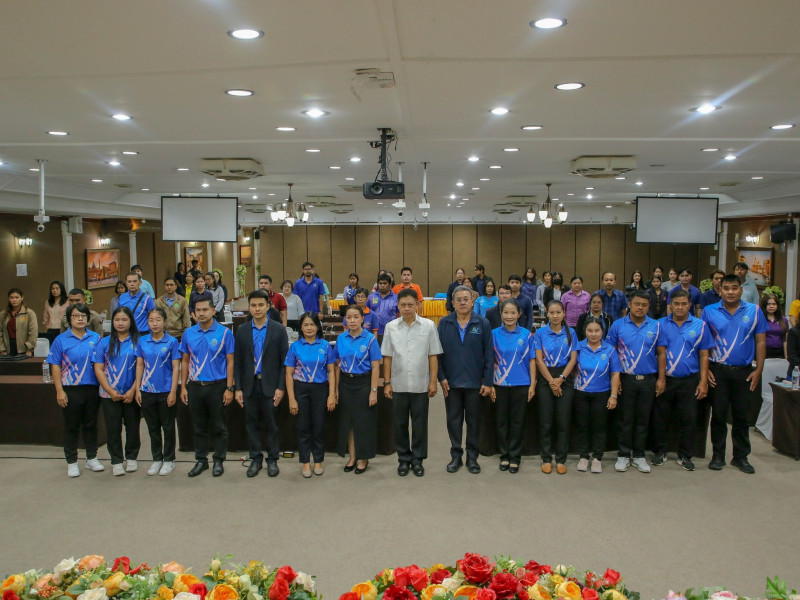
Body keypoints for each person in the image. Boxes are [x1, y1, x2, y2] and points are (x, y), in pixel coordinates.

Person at [702, 274, 766, 474]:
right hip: (718, 371)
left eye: (734, 288)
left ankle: (740, 457)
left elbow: (760, 341)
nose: (730, 292)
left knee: (741, 417)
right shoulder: (709, 311)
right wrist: (706, 370)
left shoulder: (754, 311)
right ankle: (718, 456)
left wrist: (759, 370)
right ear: (720, 290)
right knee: (718, 416)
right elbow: (703, 344)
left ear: (741, 290)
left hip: (744, 372)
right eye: (726, 288)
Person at [382, 288, 442, 477]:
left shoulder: (429, 326)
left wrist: (433, 381)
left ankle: (417, 460)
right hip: (398, 384)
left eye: (410, 305)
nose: (406, 308)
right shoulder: (390, 327)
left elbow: (433, 355)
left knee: (419, 425)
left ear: (417, 305)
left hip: (421, 384)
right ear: (398, 306)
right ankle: (403, 459)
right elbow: (387, 357)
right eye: (403, 305)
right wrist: (387, 382)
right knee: (399, 424)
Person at [652, 289, 713, 471]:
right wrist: (661, 378)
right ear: (670, 305)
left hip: (689, 380)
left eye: (684, 304)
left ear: (690, 305)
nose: (680, 307)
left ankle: (685, 455)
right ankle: (660, 452)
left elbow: (704, 354)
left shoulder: (700, 325)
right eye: (676, 304)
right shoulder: (659, 324)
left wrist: (703, 381)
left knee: (688, 419)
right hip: (665, 380)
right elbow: (657, 352)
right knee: (661, 418)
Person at [606, 290, 666, 474]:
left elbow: (661, 353)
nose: (640, 308)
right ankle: (623, 455)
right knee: (625, 419)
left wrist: (661, 378)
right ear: (630, 305)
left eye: (644, 305)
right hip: (626, 379)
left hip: (648, 380)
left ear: (649, 307)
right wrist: (616, 378)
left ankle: (639, 456)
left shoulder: (656, 326)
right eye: (637, 304)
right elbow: (611, 352)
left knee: (643, 419)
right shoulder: (618, 325)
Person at [437, 286, 494, 474]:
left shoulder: (483, 323)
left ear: (472, 302)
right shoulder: (444, 323)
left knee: (474, 422)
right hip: (451, 383)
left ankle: (472, 458)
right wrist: (441, 377)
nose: (462, 302)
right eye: (458, 300)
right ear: (453, 303)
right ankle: (456, 456)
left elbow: (489, 354)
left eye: (466, 299)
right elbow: (437, 354)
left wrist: (488, 382)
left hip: (475, 383)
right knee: (453, 422)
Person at [234, 290, 288, 478]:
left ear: (268, 306)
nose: (257, 309)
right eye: (253, 305)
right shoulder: (242, 330)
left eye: (261, 305)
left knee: (272, 425)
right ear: (249, 307)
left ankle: (272, 459)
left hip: (271, 386)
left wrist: (281, 387)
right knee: (251, 424)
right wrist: (237, 387)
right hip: (249, 386)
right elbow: (238, 362)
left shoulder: (278, 329)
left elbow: (284, 362)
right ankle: (256, 458)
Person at [179, 296, 235, 477]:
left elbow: (230, 361)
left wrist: (229, 388)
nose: (201, 313)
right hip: (195, 386)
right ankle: (201, 460)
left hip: (217, 386)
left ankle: (218, 460)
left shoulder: (225, 333)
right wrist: (183, 387)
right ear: (194, 313)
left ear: (213, 310)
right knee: (198, 427)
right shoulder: (188, 333)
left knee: (219, 427)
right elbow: (185, 361)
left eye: (205, 309)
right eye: (198, 310)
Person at [46, 303, 104, 478]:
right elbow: (55, 365)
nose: (80, 319)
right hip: (70, 389)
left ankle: (91, 458)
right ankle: (72, 461)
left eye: (83, 316)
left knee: (91, 425)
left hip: (92, 388)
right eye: (76, 316)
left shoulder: (95, 338)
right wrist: (59, 390)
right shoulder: (61, 340)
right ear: (69, 319)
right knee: (71, 426)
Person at [285, 312, 336, 478]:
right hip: (301, 389)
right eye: (305, 325)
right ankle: (306, 461)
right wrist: (292, 399)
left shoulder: (325, 346)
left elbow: (331, 371)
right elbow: (289, 374)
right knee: (303, 427)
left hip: (320, 389)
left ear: (317, 327)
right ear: (301, 327)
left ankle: (318, 460)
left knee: (318, 427)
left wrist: (331, 394)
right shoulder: (295, 347)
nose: (309, 328)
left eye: (312, 324)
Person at [92, 306, 141, 476]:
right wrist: (110, 391)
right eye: (117, 320)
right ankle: (116, 461)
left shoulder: (138, 342)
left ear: (131, 321)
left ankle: (132, 457)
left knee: (133, 427)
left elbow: (142, 368)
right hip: (109, 394)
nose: (120, 323)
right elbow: (98, 368)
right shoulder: (103, 343)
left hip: (131, 393)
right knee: (113, 429)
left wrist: (133, 390)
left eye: (124, 319)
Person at [334, 304, 382, 474]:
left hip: (364, 384)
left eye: (356, 317)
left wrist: (373, 391)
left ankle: (363, 458)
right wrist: (336, 390)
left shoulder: (370, 339)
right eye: (349, 317)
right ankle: (352, 457)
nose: (352, 320)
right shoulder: (341, 338)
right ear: (345, 320)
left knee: (363, 423)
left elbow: (376, 366)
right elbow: (336, 364)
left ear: (362, 318)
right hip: (346, 383)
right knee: (349, 423)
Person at [134, 308, 181, 476]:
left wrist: (173, 391)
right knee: (153, 428)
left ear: (164, 321)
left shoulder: (172, 342)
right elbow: (140, 365)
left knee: (168, 427)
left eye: (158, 320)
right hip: (147, 390)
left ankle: (169, 460)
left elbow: (175, 368)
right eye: (151, 320)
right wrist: (138, 388)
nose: (154, 323)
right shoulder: (142, 341)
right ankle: (157, 459)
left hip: (166, 390)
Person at [491, 298, 535, 474]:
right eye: (506, 312)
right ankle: (504, 455)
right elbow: (488, 361)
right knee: (501, 422)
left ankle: (515, 457)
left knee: (518, 422)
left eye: (513, 313)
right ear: (501, 313)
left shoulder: (526, 335)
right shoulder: (493, 334)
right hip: (499, 385)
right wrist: (490, 384)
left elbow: (532, 360)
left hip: (522, 384)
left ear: (519, 314)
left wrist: (533, 384)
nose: (509, 316)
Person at [534, 300, 577, 474]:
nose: (555, 316)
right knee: (545, 421)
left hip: (564, 377)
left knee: (563, 421)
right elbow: (539, 360)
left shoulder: (571, 332)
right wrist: (552, 381)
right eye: (551, 312)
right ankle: (546, 458)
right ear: (547, 313)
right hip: (546, 377)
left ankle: (560, 459)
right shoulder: (540, 333)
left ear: (564, 313)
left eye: (558, 312)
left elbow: (573, 359)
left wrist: (560, 379)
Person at [573, 317, 621, 473]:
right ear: (585, 331)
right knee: (583, 426)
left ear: (602, 331)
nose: (593, 334)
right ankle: (583, 456)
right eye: (590, 330)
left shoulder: (610, 350)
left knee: (599, 427)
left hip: (602, 394)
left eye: (597, 330)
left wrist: (613, 395)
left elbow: (615, 373)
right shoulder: (578, 347)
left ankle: (597, 458)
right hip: (581, 394)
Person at [0, 288, 38, 357]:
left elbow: (33, 332)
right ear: (9, 299)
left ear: (22, 298)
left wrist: (29, 349)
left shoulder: (29, 313)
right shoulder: (3, 314)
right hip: (7, 349)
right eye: (12, 298)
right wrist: (2, 349)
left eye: (17, 297)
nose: (14, 300)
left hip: (24, 349)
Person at [367, 274, 399, 341]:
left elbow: (399, 315)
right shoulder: (371, 297)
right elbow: (366, 314)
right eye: (380, 283)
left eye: (385, 283)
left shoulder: (396, 298)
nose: (382, 285)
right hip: (373, 332)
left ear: (390, 285)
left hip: (391, 332)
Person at [761, 293, 789, 359]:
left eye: (774, 304)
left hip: (780, 352)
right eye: (769, 304)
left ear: (777, 306)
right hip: (764, 351)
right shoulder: (760, 319)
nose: (771, 306)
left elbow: (785, 339)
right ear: (765, 305)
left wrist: (786, 356)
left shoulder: (783, 320)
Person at [43, 280, 68, 345]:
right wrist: (46, 330)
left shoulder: (67, 301)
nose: (55, 290)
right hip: (50, 330)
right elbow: (46, 318)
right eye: (53, 289)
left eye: (57, 288)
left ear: (61, 289)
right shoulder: (48, 302)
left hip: (62, 329)